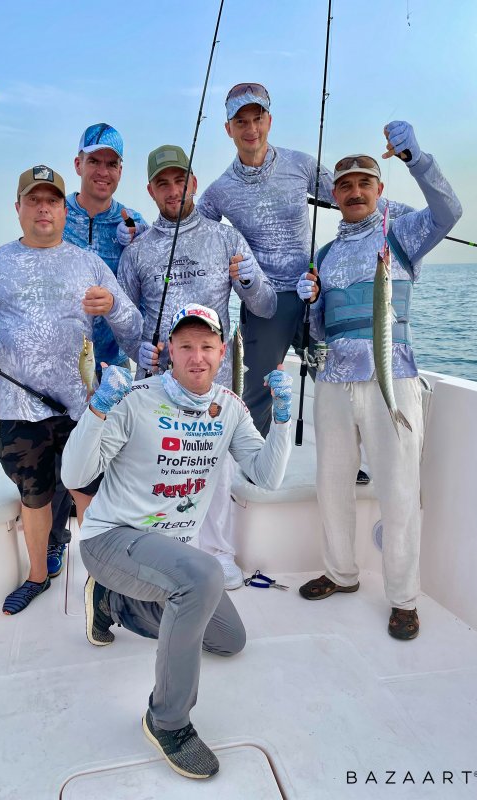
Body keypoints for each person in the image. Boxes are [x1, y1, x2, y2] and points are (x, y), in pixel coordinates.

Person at [61, 303, 293, 779]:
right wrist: (98, 409)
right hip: (112, 539)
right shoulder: (136, 399)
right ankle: (167, 720)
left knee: (230, 640)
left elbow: (266, 477)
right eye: (185, 345)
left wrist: (283, 420)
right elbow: (74, 475)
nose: (196, 356)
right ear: (169, 350)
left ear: (223, 352)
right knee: (203, 576)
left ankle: (112, 603)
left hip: (169, 555)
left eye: (207, 346)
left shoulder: (230, 408)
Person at [0, 165, 142, 615]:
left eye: (52, 200)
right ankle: (37, 576)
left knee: (88, 494)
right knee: (33, 498)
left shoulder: (89, 263)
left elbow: (132, 324)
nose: (43, 208)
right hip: (19, 408)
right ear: (17, 208)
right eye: (33, 200)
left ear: (63, 210)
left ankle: (102, 582)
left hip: (82, 407)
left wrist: (113, 304)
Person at [196, 83, 412, 486]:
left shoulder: (300, 164)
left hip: (315, 290)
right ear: (228, 129)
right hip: (265, 303)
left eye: (257, 118)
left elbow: (349, 195)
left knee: (333, 377)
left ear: (269, 121)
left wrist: (404, 216)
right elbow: (196, 234)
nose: (251, 129)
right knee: (256, 389)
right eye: (241, 121)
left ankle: (353, 460)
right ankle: (253, 465)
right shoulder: (219, 190)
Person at [295, 121, 462, 639]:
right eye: (344, 186)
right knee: (332, 484)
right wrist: (310, 302)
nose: (354, 192)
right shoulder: (323, 255)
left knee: (399, 488)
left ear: (379, 188)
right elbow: (318, 333)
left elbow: (449, 212)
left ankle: (404, 597)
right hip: (333, 382)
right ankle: (341, 573)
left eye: (364, 183)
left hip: (394, 376)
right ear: (334, 196)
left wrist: (417, 158)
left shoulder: (402, 231)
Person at [116, 144, 277, 589]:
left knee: (217, 470)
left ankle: (219, 553)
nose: (173, 190)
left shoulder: (226, 239)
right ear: (150, 190)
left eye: (180, 180)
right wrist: (137, 349)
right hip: (157, 385)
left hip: (215, 384)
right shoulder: (137, 252)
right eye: (163, 183)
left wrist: (248, 279)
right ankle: (160, 554)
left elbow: (265, 305)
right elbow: (125, 320)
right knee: (156, 469)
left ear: (194, 183)